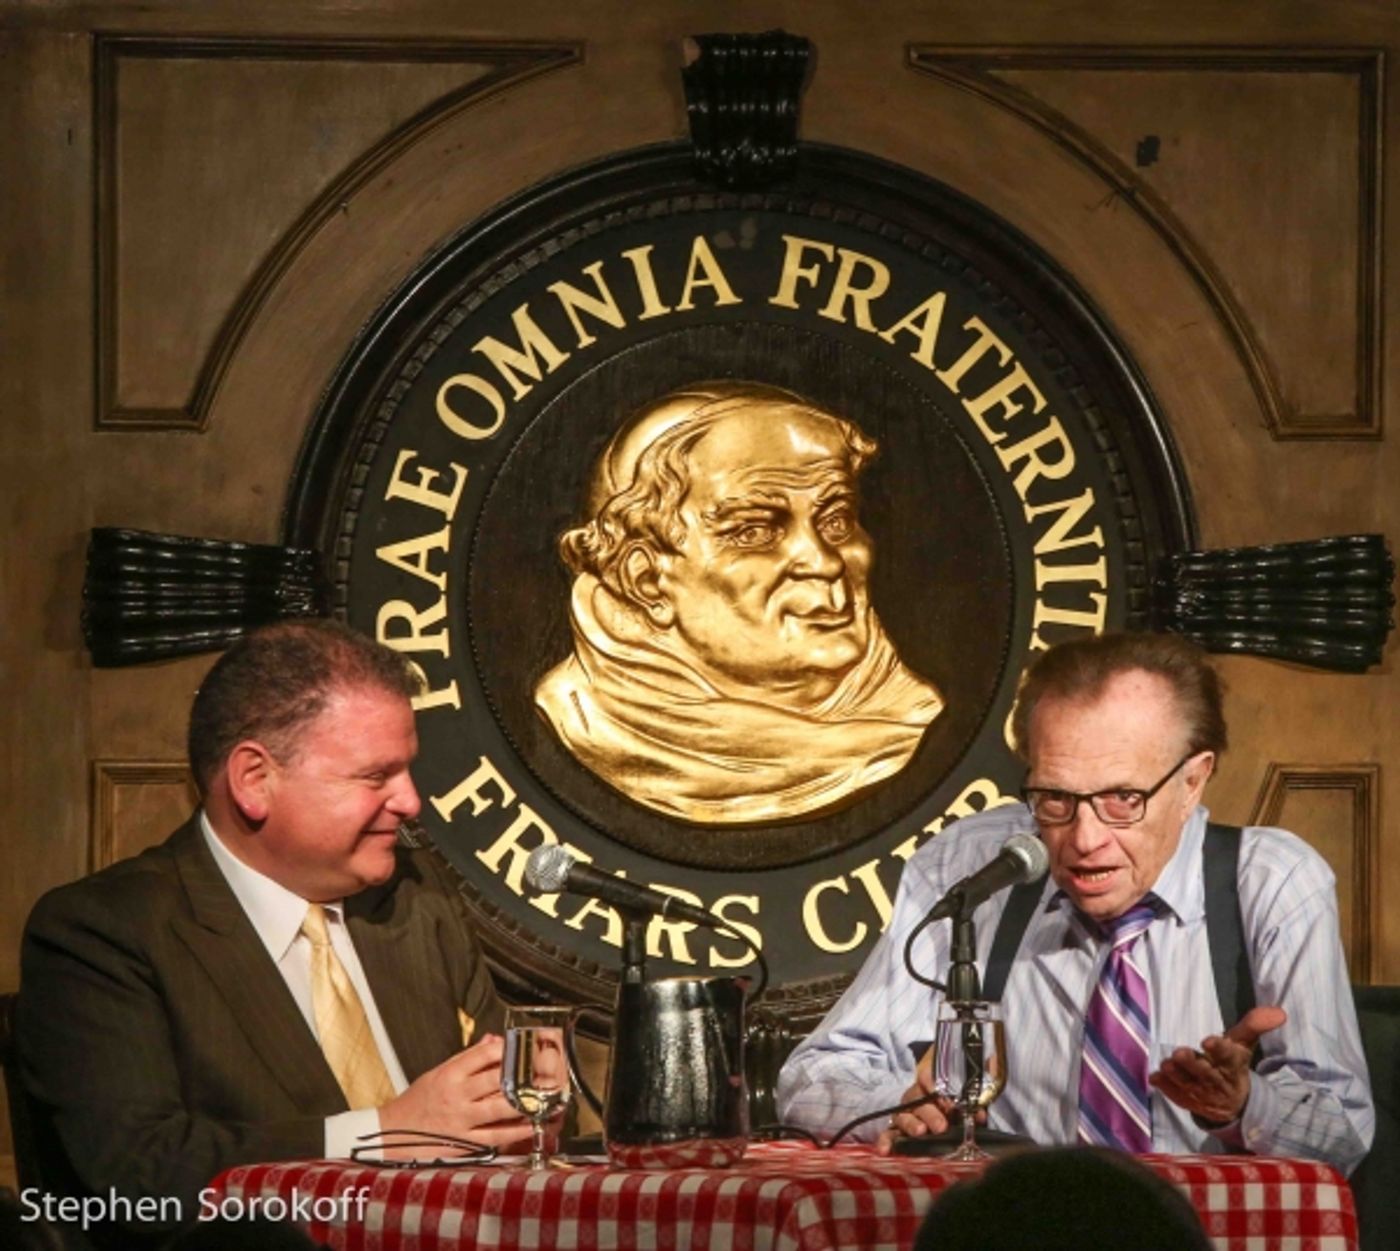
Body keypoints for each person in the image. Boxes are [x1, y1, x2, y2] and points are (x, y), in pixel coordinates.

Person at [16, 621, 532, 1248]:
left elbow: (498, 1103)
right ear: (255, 780)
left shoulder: (417, 900)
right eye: (376, 776)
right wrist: (378, 1133)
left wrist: (527, 1099)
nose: (410, 801)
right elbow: (137, 1171)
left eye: (407, 771)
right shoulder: (105, 932)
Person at [777, 631, 1374, 1172]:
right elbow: (813, 1077)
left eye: (1122, 798)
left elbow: (1344, 1134)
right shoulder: (975, 870)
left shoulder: (1271, 883)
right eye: (1054, 798)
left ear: (1193, 781)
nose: (1085, 841)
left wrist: (1243, 1107)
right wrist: (900, 1106)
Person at [535, 381, 943, 823]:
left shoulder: (912, 713)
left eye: (836, 520)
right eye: (754, 532)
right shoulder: (581, 715)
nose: (824, 562)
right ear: (646, 581)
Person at [912, 1146, 1214, 1251]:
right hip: (1009, 1216)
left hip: (1160, 1221)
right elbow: (867, 1064)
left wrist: (1246, 1103)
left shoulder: (1243, 999)